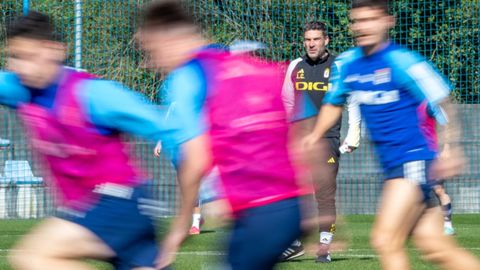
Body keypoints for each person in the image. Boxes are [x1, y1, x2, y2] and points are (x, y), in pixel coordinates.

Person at [302, 0, 480, 269]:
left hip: (413, 161)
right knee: (435, 247)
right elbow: (333, 103)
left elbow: (443, 100)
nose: (362, 27)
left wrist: (451, 147)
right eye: (357, 21)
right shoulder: (349, 63)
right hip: (394, 167)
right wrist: (314, 137)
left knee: (385, 240)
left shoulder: (402, 61)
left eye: (370, 19)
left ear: (388, 21)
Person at [2, 11, 176, 270]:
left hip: (118, 204)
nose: (17, 67)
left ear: (56, 50)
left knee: (34, 256)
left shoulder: (95, 95)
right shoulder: (19, 89)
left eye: (27, 57)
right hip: (102, 211)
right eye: (12, 58)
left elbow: (173, 131)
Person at [137, 1, 303, 269]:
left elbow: (196, 158)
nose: (149, 64)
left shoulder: (187, 76)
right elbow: (294, 134)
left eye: (150, 51)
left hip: (258, 212)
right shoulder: (245, 65)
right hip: (289, 206)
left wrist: (181, 226)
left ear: (166, 38)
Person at [280, 21, 361, 263]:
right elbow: (286, 101)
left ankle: (324, 246)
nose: (311, 43)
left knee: (323, 195)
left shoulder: (340, 66)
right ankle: (294, 243)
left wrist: (354, 133)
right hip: (299, 141)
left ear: (326, 40)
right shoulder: (295, 66)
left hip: (327, 140)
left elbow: (353, 100)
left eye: (316, 39)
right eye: (307, 39)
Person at [417, 101, 455, 235]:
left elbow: (445, 123)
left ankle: (448, 225)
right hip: (411, 155)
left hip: (430, 154)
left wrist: (446, 148)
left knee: (438, 190)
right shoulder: (403, 104)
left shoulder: (428, 104)